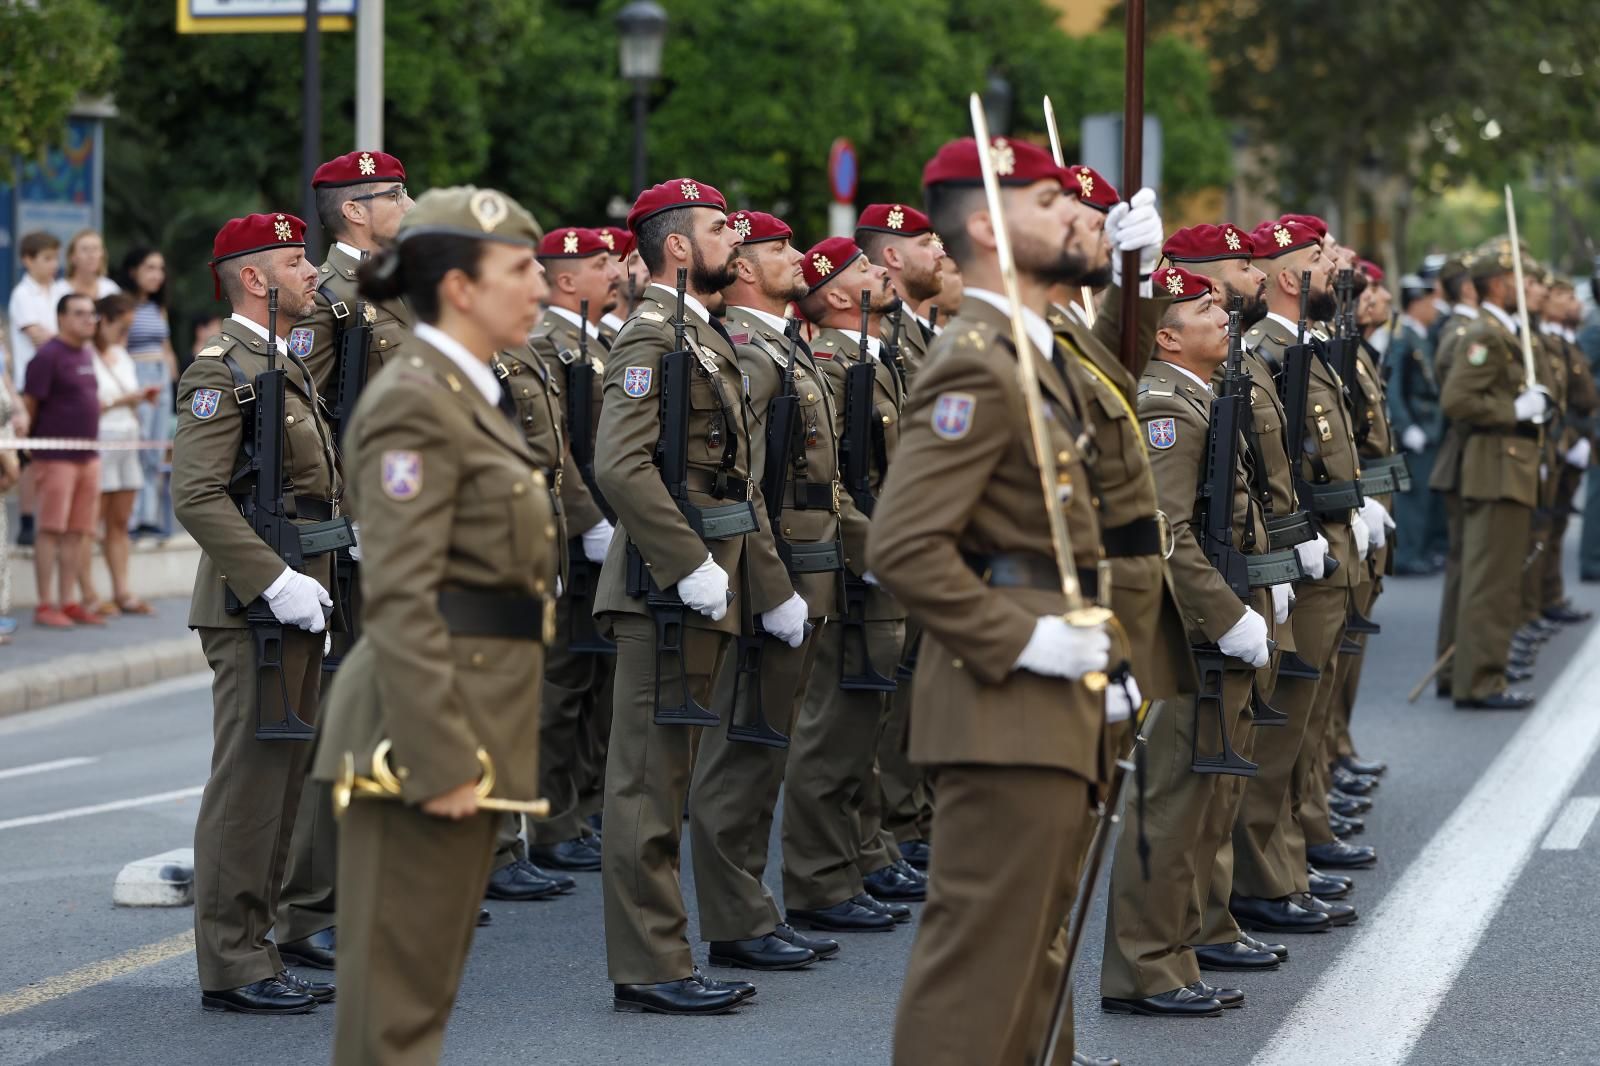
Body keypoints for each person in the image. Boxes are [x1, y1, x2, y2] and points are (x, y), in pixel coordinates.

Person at [872, 135, 1114, 1066]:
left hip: (1049, 703)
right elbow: (905, 543)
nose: (1070, 215)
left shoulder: (1030, 351)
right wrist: (1023, 643)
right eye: (1047, 203)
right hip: (1001, 703)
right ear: (986, 225)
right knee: (979, 979)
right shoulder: (978, 359)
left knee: (1030, 969)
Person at [306, 186, 558, 1065]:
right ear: (459, 286)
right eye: (519, 271)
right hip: (422, 730)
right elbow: (404, 593)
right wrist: (441, 754)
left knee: (425, 994)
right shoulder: (416, 398)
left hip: (471, 713)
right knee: (394, 1015)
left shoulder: (468, 390)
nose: (541, 288)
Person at [591, 177, 800, 1016]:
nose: (735, 242)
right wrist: (685, 563)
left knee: (669, 778)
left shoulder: (700, 334)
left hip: (705, 588)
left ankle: (667, 954)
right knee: (645, 784)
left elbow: (733, 481)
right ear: (678, 246)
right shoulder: (652, 339)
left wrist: (765, 583)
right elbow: (620, 465)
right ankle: (650, 967)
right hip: (663, 592)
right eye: (720, 229)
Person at [173, 211, 339, 1016]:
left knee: (281, 783)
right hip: (254, 606)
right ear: (251, 277)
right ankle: (232, 963)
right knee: (248, 785)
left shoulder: (281, 361)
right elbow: (197, 494)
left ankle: (258, 948)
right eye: (293, 260)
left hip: (297, 598)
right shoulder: (221, 367)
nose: (311, 271)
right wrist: (274, 581)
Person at [1100, 265, 1276, 1020]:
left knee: (1207, 800)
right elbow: (1165, 532)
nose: (1222, 315)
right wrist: (1225, 614)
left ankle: (1175, 954)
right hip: (1186, 633)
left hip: (1214, 622)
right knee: (1171, 803)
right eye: (1204, 308)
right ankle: (1144, 968)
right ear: (1166, 335)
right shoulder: (1167, 408)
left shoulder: (1202, 396)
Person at [686, 208, 847, 973]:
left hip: (803, 561)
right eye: (780, 247)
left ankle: (753, 905)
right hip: (769, 567)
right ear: (744, 265)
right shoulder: (747, 352)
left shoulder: (780, 344)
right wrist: (771, 582)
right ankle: (733, 917)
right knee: (742, 749)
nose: (798, 257)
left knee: (767, 747)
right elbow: (742, 482)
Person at [273, 149, 417, 975]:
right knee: (340, 719)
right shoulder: (328, 299)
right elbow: (312, 424)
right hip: (351, 539)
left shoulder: (393, 290)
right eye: (393, 195)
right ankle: (308, 906)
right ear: (354, 212)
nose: (408, 202)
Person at [784, 236, 924, 934]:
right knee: (833, 728)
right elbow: (828, 479)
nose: (882, 272)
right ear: (840, 295)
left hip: (881, 555)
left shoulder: (874, 357)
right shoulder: (835, 364)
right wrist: (874, 550)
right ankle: (816, 878)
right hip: (849, 562)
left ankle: (861, 855)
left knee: (866, 722)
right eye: (866, 269)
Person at [519, 224, 622, 879]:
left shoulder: (602, 340)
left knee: (595, 681)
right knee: (561, 688)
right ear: (565, 279)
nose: (614, 270)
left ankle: (581, 808)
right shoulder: (549, 343)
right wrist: (588, 521)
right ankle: (552, 819)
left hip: (604, 528)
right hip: (572, 534)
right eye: (599, 262)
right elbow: (558, 450)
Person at [1439, 239, 1544, 710]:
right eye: (1522, 279)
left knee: (1483, 579)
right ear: (1500, 285)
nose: (1531, 287)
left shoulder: (1504, 330)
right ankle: (1481, 680)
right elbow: (1457, 400)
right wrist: (1514, 409)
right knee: (1491, 583)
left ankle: (1463, 671)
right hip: (1497, 470)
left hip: (1505, 469)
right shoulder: (1486, 334)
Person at [23, 293, 104, 628]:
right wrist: (31, 449)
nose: (90, 319)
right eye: (80, 313)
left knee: (78, 532)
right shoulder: (47, 356)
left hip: (88, 457)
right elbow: (30, 407)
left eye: (92, 313)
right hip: (56, 457)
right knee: (51, 529)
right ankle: (45, 604)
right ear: (61, 318)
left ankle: (68, 601)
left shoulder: (85, 353)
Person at [84, 292, 156, 617]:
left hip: (127, 439)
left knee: (120, 521)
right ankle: (89, 594)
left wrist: (137, 399)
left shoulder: (120, 354)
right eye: (122, 326)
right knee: (92, 522)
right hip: (100, 441)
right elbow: (88, 404)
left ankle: (122, 590)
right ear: (104, 321)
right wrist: (126, 399)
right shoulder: (86, 355)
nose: (125, 334)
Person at [9, 231, 67, 547]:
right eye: (45, 259)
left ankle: (51, 518)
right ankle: (28, 519)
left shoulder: (60, 290)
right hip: (31, 384)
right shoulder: (22, 294)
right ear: (27, 260)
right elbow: (37, 336)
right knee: (30, 456)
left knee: (57, 456)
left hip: (61, 385)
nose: (52, 265)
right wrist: (67, 338)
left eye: (54, 258)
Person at [1385, 275, 1445, 575]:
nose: (1435, 307)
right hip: (1417, 426)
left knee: (1427, 494)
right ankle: (1408, 554)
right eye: (1429, 301)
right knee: (1413, 497)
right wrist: (1406, 426)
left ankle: (1421, 550)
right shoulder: (1403, 337)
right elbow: (1394, 387)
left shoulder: (1422, 334)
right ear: (1417, 303)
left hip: (1431, 425)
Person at [119, 246, 179, 540]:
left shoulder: (158, 308)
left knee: (156, 450)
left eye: (160, 269)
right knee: (138, 446)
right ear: (133, 271)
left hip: (160, 376)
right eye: (150, 268)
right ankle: (130, 518)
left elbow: (166, 347)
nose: (157, 275)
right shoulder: (123, 306)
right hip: (136, 375)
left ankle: (148, 516)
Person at [63, 229, 121, 301]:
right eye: (85, 249)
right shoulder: (59, 290)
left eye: (95, 249)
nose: (91, 255)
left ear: (102, 255)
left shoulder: (111, 289)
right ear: (72, 257)